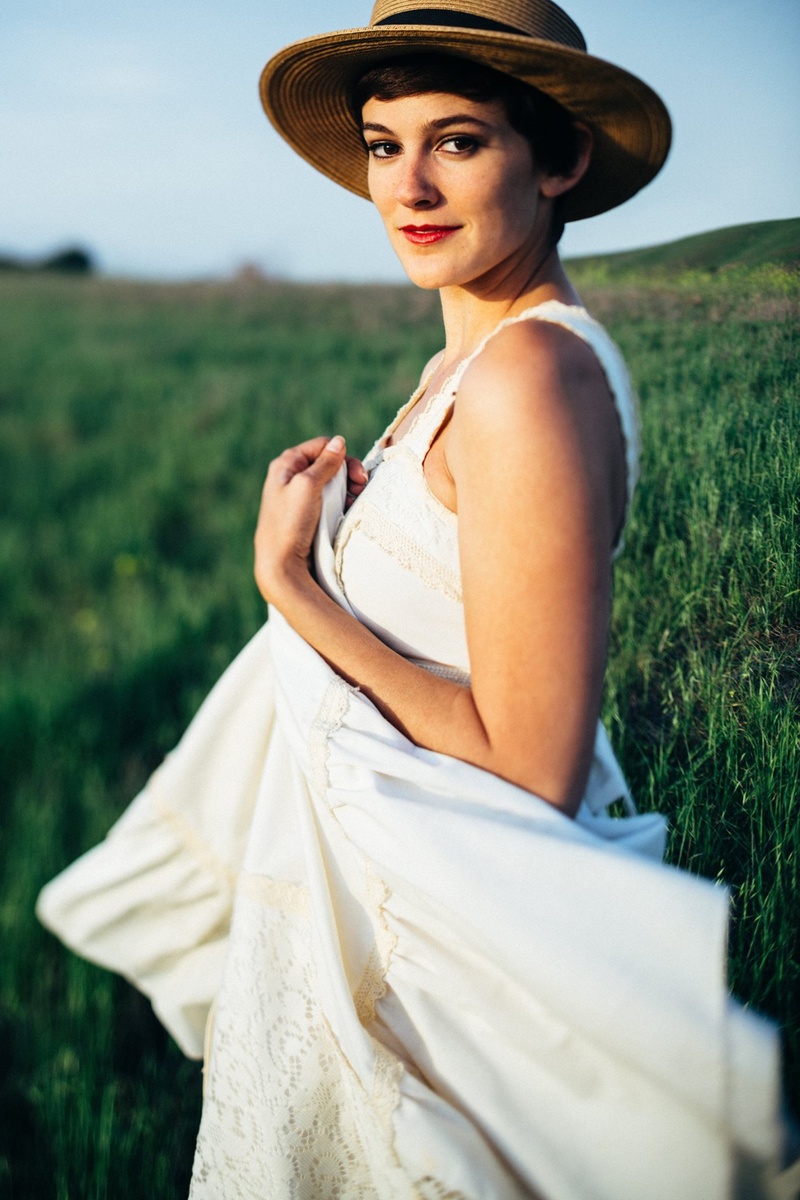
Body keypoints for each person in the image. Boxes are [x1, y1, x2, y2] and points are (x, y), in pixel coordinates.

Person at [37, 2, 795, 1197]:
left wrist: (292, 585)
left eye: (458, 141)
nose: (410, 185)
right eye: (384, 145)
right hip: (396, 898)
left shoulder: (528, 379)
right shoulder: (470, 362)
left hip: (454, 940)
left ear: (557, 161)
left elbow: (528, 760)